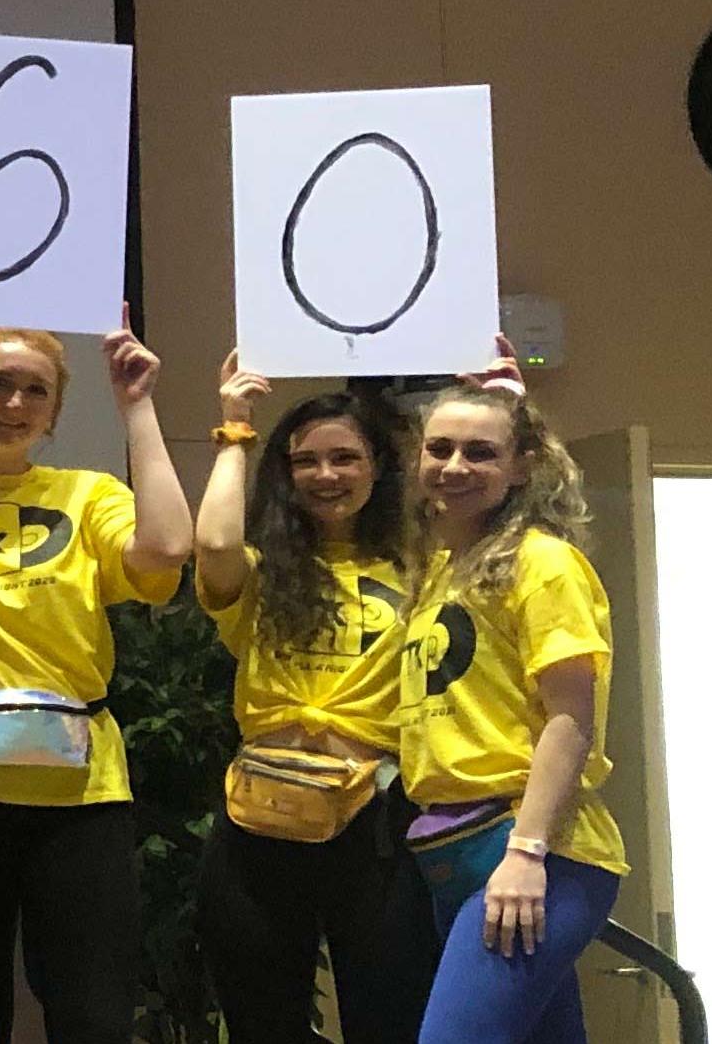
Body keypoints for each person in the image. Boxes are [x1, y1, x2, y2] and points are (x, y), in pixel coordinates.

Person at [0, 303, 194, 1044]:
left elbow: (169, 545)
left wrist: (138, 407)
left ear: (54, 412)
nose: (14, 403)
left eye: (36, 391)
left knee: (91, 1015)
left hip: (80, 794)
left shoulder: (87, 496)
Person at [191, 355, 436, 1044]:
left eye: (344, 459)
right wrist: (236, 428)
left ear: (378, 468)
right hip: (260, 817)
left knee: (387, 1021)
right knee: (262, 1025)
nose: (325, 476)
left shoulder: (422, 570)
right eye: (306, 462)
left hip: (377, 815)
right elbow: (212, 540)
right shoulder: (265, 572)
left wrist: (504, 400)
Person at [399, 361, 623, 1044]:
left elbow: (570, 718)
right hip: (454, 848)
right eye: (440, 448)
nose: (454, 466)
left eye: (481, 452)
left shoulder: (543, 562)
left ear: (520, 468)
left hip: (533, 847)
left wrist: (526, 853)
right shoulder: (439, 571)